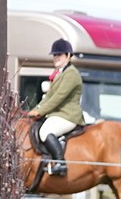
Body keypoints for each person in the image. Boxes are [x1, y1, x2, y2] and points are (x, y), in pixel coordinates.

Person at [27, 38, 86, 176]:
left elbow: (58, 97)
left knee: (45, 131)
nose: (56, 58)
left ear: (68, 55)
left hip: (68, 115)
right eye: (54, 55)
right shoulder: (60, 73)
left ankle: (60, 163)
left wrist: (40, 111)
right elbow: (48, 97)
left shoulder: (71, 73)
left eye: (59, 54)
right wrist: (34, 110)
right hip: (58, 114)